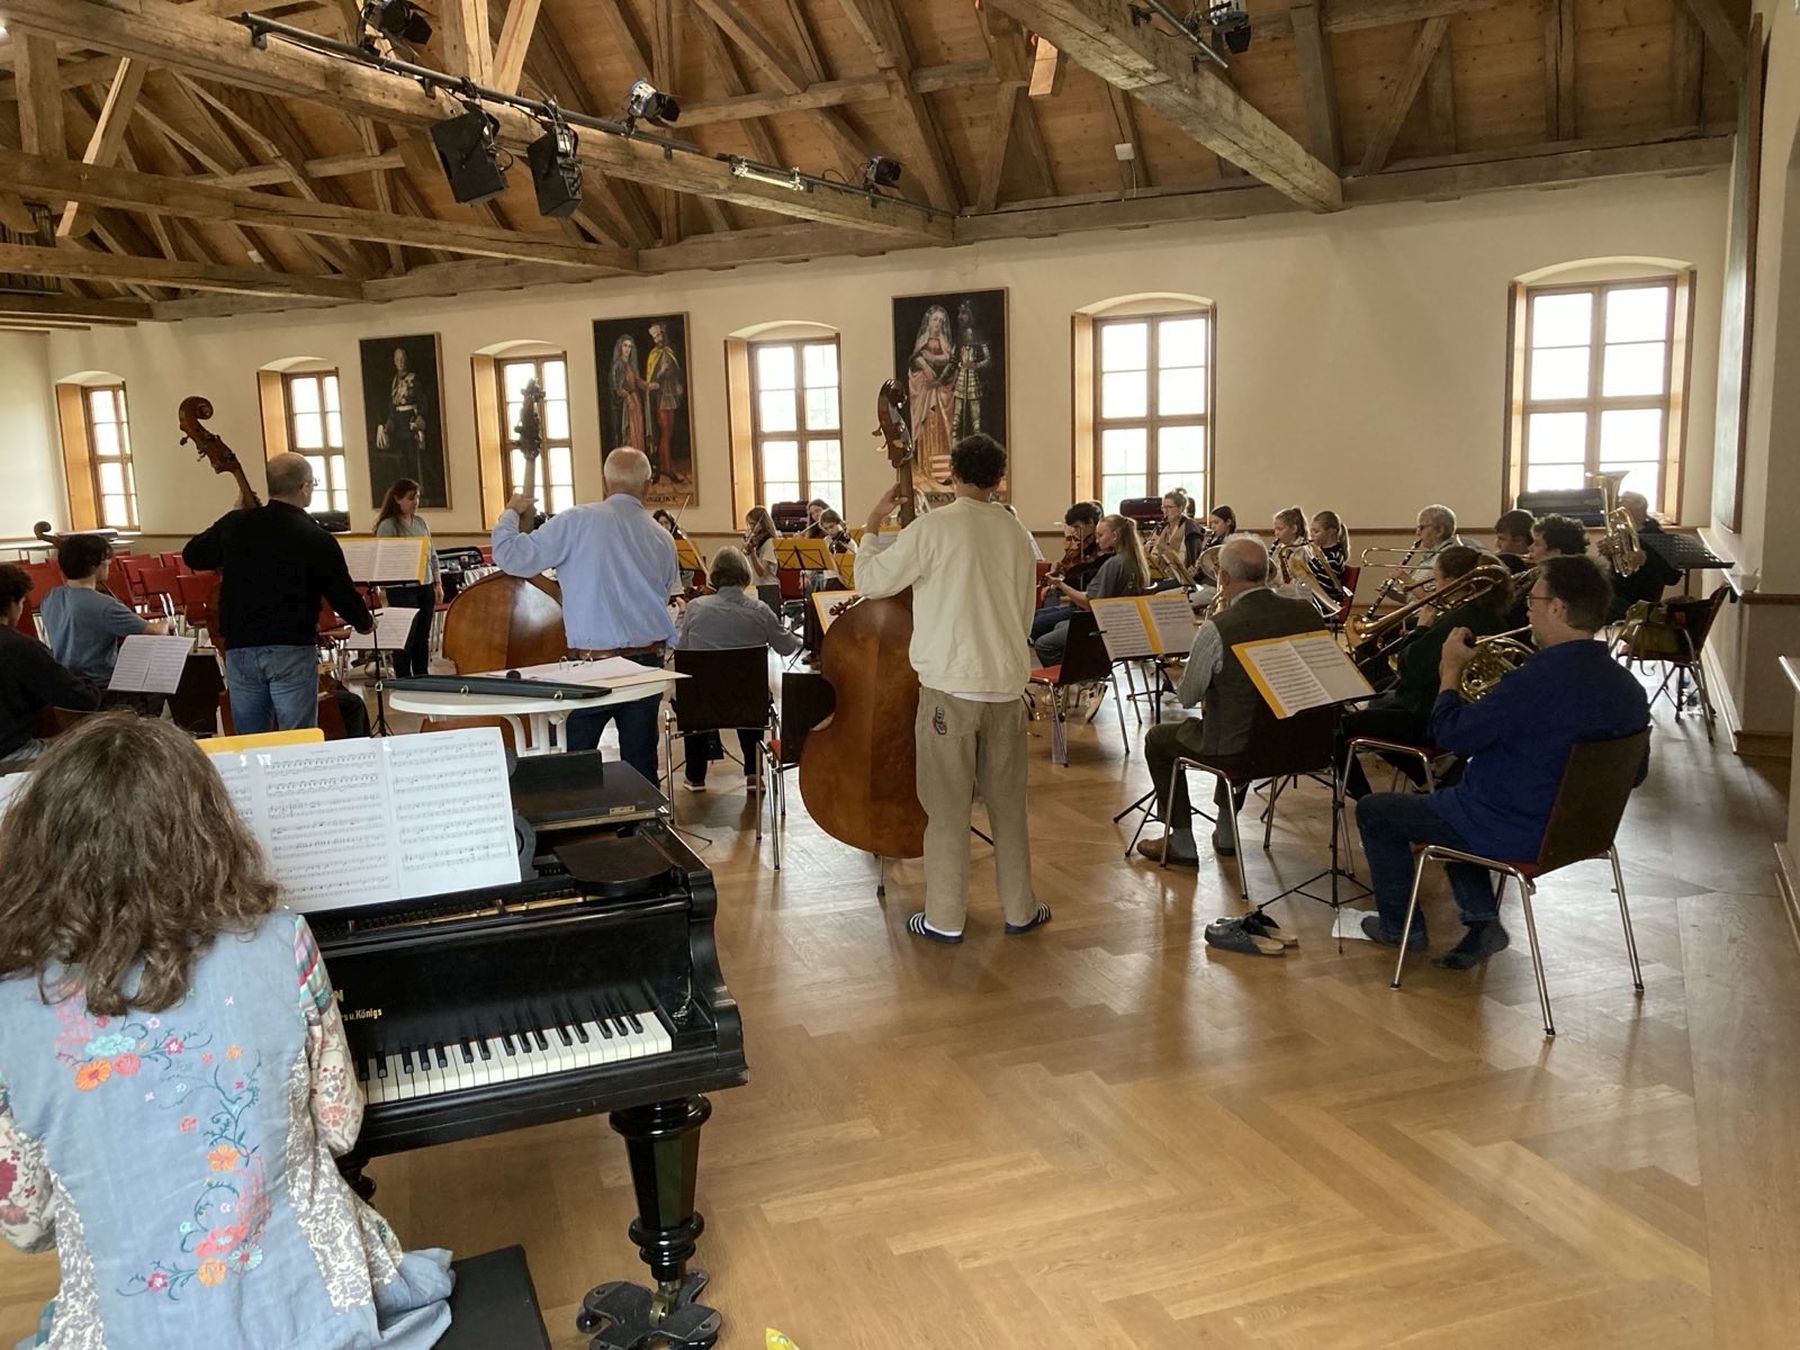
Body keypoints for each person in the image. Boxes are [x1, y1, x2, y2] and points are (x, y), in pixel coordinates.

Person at [0, 715, 453, 1348]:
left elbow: (27, 1225)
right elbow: (340, 1129)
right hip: (306, 1310)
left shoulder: (10, 1005)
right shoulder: (281, 941)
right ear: (206, 831)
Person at [1354, 555, 1650, 969]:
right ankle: (1481, 922)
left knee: (1377, 811)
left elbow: (1451, 735)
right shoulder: (1629, 687)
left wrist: (1450, 674)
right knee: (1456, 795)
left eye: (1533, 601)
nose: (1527, 611)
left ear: (1557, 608)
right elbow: (1636, 774)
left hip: (1512, 829)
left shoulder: (1533, 683)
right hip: (1582, 833)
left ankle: (1399, 928)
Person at [853, 432, 1046, 944]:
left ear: (953, 474)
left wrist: (872, 525)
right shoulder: (1017, 533)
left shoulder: (934, 528)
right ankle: (1021, 909)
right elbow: (1025, 614)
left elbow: (871, 582)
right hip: (1006, 686)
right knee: (1008, 807)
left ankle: (945, 918)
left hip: (950, 689)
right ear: (998, 478)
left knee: (946, 810)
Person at [492, 446, 678, 785]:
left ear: (605, 483)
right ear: (648, 486)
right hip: (645, 664)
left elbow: (511, 556)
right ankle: (643, 817)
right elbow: (662, 596)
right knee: (641, 768)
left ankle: (579, 815)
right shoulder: (663, 537)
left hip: (593, 665)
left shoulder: (576, 520)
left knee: (573, 766)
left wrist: (511, 512)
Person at [1136, 537, 1321, 865]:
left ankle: (1182, 841)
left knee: (1159, 739)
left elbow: (1187, 697)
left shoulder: (1218, 627)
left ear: (1223, 576)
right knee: (1250, 722)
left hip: (1240, 750)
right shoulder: (1308, 612)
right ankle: (1225, 831)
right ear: (1267, 571)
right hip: (1301, 743)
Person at [183, 453, 371, 734]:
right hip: (290, 647)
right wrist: (365, 622)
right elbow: (340, 592)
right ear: (304, 487)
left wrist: (234, 514)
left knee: (251, 740)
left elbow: (193, 554)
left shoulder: (236, 524)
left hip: (241, 647)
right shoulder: (314, 536)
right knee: (297, 738)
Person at [1338, 547, 1515, 799]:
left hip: (1428, 716)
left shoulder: (1460, 619)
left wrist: (1421, 629)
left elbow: (1411, 668)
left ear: (1454, 583)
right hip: (1449, 709)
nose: (1434, 587)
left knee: (1340, 727)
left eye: (1438, 579)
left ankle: (1367, 799)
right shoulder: (1488, 615)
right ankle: (1427, 778)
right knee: (1375, 703)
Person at [674, 546, 801, 794]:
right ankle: (754, 773)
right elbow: (787, 648)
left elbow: (681, 649)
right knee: (748, 690)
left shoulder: (696, 607)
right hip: (749, 703)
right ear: (745, 575)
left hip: (701, 703)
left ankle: (696, 776)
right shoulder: (760, 610)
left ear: (714, 576)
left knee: (695, 692)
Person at [0, 564, 100, 767]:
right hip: (11, 755)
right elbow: (83, 700)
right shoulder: (20, 647)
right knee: (98, 751)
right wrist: (78, 673)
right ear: (12, 603)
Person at [39, 534, 170, 688]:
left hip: (66, 683)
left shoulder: (50, 596)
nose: (109, 563)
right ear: (93, 567)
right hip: (100, 686)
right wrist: (166, 623)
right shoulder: (104, 605)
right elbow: (154, 631)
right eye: (106, 561)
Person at [1032, 512, 1148, 666]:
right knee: (1059, 625)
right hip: (1121, 622)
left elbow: (1091, 603)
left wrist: (1060, 584)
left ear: (1115, 536)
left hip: (1102, 624)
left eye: (1100, 535)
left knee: (1043, 644)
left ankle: (1078, 674)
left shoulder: (1115, 563)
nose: (1097, 540)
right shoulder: (1135, 560)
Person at [372, 479, 442, 680]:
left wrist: (437, 583)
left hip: (425, 585)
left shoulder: (420, 523)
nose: (415, 502)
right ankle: (404, 678)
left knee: (422, 635)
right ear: (397, 499)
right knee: (406, 636)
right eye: (411, 498)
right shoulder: (388, 526)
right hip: (401, 588)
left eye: (417, 497)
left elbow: (432, 554)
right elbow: (384, 558)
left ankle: (422, 676)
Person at [371, 344, 442, 508]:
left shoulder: (414, 379)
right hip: (398, 424)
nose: (400, 362)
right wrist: (388, 423)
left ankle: (417, 490)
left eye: (402, 359)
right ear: (394, 361)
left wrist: (420, 418)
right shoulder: (394, 380)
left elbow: (422, 400)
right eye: (398, 359)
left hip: (411, 422)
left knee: (414, 457)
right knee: (402, 459)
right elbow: (392, 404)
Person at [1028, 501, 1104, 646]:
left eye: (1077, 527)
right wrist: (1059, 571)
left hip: (1084, 607)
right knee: (1035, 616)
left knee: (1037, 623)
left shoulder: (1099, 551)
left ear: (1090, 523)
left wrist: (1058, 584)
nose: (1074, 532)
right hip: (1076, 603)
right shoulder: (1081, 545)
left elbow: (1078, 577)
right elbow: (1070, 570)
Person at [1602, 490, 1681, 621]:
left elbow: (1672, 577)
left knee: (1591, 607)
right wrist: (1610, 554)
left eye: (1623, 500)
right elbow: (1620, 569)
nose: (1618, 504)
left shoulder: (1657, 536)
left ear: (1639, 506)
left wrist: (1645, 561)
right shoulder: (1622, 531)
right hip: (1616, 591)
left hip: (1637, 601)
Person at [644, 321, 686, 484]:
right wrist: (661, 371)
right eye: (655, 337)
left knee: (669, 432)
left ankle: (665, 466)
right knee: (664, 432)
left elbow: (676, 373)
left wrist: (672, 375)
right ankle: (665, 467)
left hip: (670, 394)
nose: (658, 339)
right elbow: (651, 379)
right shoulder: (653, 354)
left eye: (660, 335)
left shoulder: (669, 352)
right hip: (660, 397)